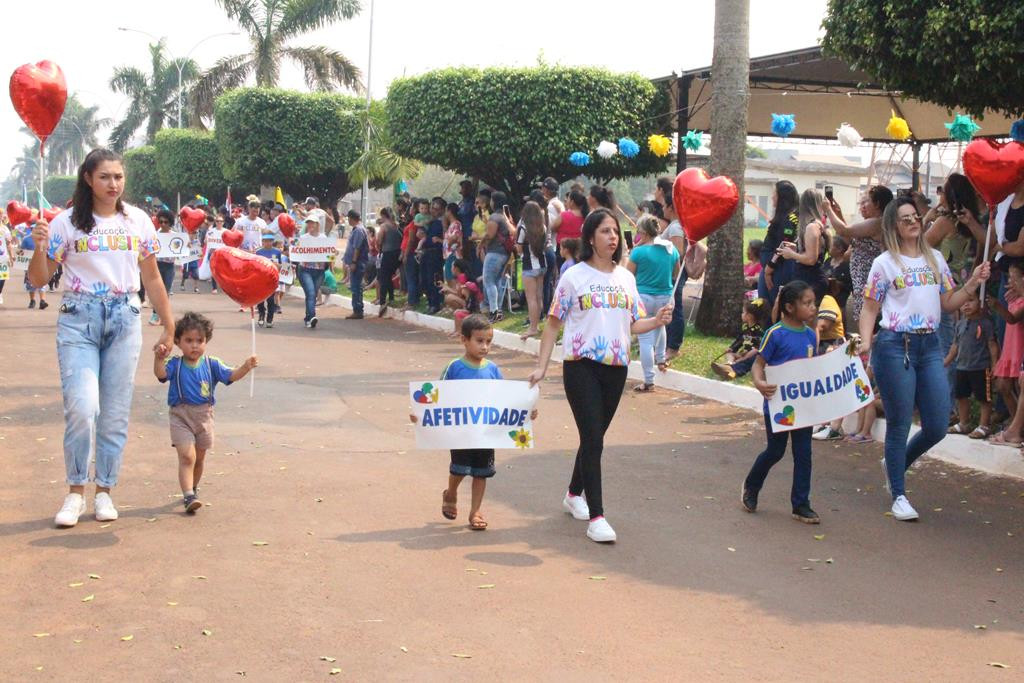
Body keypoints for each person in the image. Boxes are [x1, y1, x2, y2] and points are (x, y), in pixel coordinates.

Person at [29, 148, 173, 528]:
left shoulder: (137, 220)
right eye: (105, 177)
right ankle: (75, 492)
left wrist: (169, 324)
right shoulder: (64, 224)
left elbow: (152, 277)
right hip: (78, 321)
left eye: (119, 177)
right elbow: (41, 279)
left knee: (113, 414)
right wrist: (40, 247)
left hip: (125, 319)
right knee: (82, 407)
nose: (113, 184)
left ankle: (105, 490)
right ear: (89, 179)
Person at [528, 208, 672, 543]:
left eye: (615, 232)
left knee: (594, 438)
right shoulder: (574, 277)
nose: (612, 237)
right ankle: (597, 517)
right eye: (605, 231)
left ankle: (573, 494)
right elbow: (552, 324)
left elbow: (634, 324)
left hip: (616, 367)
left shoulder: (626, 278)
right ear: (590, 237)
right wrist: (542, 365)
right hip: (581, 365)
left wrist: (658, 320)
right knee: (593, 439)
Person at [857, 195, 990, 522]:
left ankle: (895, 464)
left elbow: (948, 302)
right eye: (905, 219)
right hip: (893, 346)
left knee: (935, 426)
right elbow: (870, 307)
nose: (914, 221)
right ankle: (899, 494)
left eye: (915, 216)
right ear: (893, 225)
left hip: (930, 346)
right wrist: (864, 341)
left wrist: (973, 283)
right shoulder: (884, 264)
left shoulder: (934, 260)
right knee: (900, 422)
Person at [411, 314, 535, 530]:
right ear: (464, 340)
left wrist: (525, 413)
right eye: (479, 341)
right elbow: (437, 397)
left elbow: (505, 400)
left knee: (481, 472)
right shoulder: (454, 368)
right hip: (460, 432)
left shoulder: (493, 370)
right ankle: (451, 493)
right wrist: (421, 414)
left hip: (485, 432)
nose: (485, 346)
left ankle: (475, 511)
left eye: (489, 341)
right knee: (459, 468)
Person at [154, 312, 257, 513]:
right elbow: (160, 374)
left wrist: (246, 367)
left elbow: (232, 375)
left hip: (204, 417)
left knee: (199, 459)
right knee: (187, 457)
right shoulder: (175, 364)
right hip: (180, 416)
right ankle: (188, 496)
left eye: (199, 341)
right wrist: (158, 359)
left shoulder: (212, 364)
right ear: (178, 342)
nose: (194, 345)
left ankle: (193, 488)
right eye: (189, 340)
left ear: (206, 341)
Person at [741, 280, 821, 524]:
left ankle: (801, 504)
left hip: (803, 407)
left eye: (813, 303)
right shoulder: (775, 334)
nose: (813, 308)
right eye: (807, 303)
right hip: (778, 405)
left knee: (803, 454)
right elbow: (758, 364)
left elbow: (813, 370)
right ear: (789, 307)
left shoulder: (810, 335)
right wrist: (759, 382)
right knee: (775, 451)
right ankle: (751, 487)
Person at [824, 185, 894, 325]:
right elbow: (851, 239)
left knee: (870, 324)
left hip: (870, 283)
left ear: (877, 203)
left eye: (865, 202)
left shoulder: (877, 222)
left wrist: (828, 209)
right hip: (864, 283)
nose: (861, 206)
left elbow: (844, 230)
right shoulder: (874, 223)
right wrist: (838, 214)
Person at [625, 215, 679, 391]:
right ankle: (661, 359)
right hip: (665, 296)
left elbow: (627, 276)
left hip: (643, 297)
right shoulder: (671, 249)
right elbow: (675, 273)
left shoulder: (638, 252)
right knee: (660, 325)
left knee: (645, 339)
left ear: (642, 232)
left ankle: (649, 380)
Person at [944, 290, 998, 439]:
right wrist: (946, 361)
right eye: (963, 302)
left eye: (971, 300)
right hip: (961, 367)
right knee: (961, 395)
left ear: (980, 303)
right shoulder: (959, 324)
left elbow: (992, 345)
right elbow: (955, 346)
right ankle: (963, 423)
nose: (966, 304)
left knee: (984, 398)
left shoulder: (986, 323)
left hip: (981, 367)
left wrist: (994, 365)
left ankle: (984, 425)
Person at [986, 259, 1024, 442]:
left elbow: (1012, 319)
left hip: (1019, 350)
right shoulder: (1013, 297)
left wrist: (997, 306)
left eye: (1014, 278)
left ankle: (1017, 428)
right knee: (1003, 386)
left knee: (1018, 385)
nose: (1010, 282)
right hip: (1009, 348)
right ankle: (1017, 422)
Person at [776, 189, 830, 302]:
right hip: (811, 279)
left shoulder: (811, 227)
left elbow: (811, 259)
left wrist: (791, 254)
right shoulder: (819, 224)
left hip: (810, 280)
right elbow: (814, 251)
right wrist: (797, 248)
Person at [711, 297, 771, 380]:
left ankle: (731, 372)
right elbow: (739, 340)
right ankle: (729, 364)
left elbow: (758, 347)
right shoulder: (745, 327)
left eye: (743, 312)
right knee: (730, 354)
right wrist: (732, 348)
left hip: (751, 354)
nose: (741, 314)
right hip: (743, 353)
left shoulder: (758, 330)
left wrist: (744, 357)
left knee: (751, 356)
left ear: (749, 316)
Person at [516, 201, 549, 339]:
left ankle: (533, 327)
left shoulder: (523, 228)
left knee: (531, 299)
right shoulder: (543, 227)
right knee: (539, 296)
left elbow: (518, 248)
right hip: (542, 265)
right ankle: (538, 324)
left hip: (529, 266)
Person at [482, 192, 513, 322]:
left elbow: (490, 234)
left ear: (494, 202)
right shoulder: (505, 217)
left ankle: (494, 311)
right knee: (498, 282)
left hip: (494, 252)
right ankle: (498, 310)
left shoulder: (494, 217)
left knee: (489, 281)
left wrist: (481, 244)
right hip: (504, 253)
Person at [296, 214, 329, 328]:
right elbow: (296, 251)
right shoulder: (303, 238)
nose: (310, 225)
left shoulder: (323, 238)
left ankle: (307, 318)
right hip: (305, 269)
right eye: (308, 223)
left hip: (319, 271)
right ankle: (312, 317)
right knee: (310, 293)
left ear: (317, 224)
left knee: (312, 294)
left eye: (312, 222)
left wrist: (332, 255)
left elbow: (328, 254)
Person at [150, 209, 177, 326]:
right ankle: (155, 314)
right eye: (161, 222)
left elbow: (182, 249)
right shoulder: (155, 235)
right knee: (157, 291)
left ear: (170, 222)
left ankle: (163, 316)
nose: (163, 224)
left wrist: (187, 245)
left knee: (166, 291)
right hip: (157, 265)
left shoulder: (176, 236)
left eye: (166, 222)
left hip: (169, 266)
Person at [375, 207, 402, 315]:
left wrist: (378, 247)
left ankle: (382, 301)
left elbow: (379, 240)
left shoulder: (384, 226)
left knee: (383, 277)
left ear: (383, 216)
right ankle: (391, 297)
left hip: (387, 253)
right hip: (397, 253)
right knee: (389, 276)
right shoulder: (396, 225)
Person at [342, 209, 369, 319]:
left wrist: (353, 262)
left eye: (348, 218)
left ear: (352, 218)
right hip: (357, 262)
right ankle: (358, 309)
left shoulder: (358, 230)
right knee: (356, 286)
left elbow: (357, 248)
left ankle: (357, 310)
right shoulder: (357, 229)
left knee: (356, 287)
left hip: (358, 262)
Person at [255, 234, 285, 328]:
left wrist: (277, 265)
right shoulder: (258, 252)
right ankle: (261, 314)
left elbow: (281, 266)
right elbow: (255, 265)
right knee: (260, 300)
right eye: (265, 241)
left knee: (271, 300)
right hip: (261, 279)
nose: (267, 243)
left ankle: (270, 319)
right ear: (262, 241)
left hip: (272, 279)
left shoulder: (277, 252)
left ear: (272, 241)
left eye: (270, 241)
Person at [551, 190, 587, 258]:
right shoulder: (585, 216)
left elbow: (553, 227)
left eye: (568, 199)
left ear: (572, 202)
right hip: (579, 249)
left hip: (563, 249)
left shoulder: (564, 215)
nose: (566, 201)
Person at [20, 232, 48, 309]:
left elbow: (49, 250)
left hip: (41, 264)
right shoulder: (26, 239)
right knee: (31, 283)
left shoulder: (45, 239)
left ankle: (42, 301)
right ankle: (32, 300)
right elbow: (21, 251)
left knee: (42, 282)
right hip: (29, 264)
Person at [442, 202, 463, 289]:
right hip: (448, 255)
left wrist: (449, 241)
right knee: (448, 277)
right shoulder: (450, 225)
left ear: (449, 211)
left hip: (453, 254)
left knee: (451, 278)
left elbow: (455, 237)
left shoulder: (456, 224)